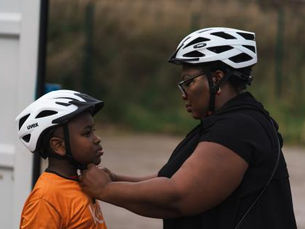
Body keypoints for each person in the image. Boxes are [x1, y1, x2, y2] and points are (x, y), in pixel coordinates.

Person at [80, 27, 297, 229]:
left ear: (217, 79)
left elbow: (178, 197)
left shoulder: (238, 128)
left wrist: (106, 190)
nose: (183, 93)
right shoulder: (226, 122)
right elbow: (168, 178)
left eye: (188, 82)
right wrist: (115, 179)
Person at [16, 89, 107, 229]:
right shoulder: (47, 198)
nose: (97, 139)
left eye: (93, 131)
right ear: (58, 145)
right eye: (87, 133)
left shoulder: (82, 182)